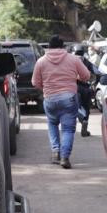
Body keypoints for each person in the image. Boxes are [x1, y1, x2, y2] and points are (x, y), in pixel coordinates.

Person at [32, 35, 90, 169]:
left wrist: (46, 89)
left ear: (49, 47)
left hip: (50, 99)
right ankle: (65, 157)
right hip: (69, 99)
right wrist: (76, 78)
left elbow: (35, 82)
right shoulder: (73, 59)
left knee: (52, 123)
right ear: (63, 46)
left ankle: (55, 152)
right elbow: (86, 75)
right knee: (68, 129)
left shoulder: (41, 61)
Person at [73, 44, 99, 137]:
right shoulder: (87, 62)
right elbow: (97, 72)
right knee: (86, 108)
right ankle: (85, 127)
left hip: (74, 87)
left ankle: (81, 119)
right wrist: (95, 82)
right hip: (86, 88)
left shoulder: (70, 61)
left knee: (76, 107)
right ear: (84, 52)